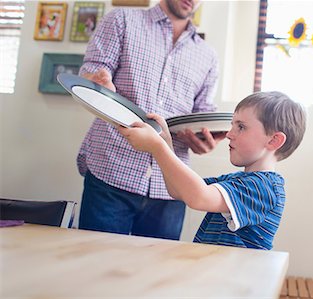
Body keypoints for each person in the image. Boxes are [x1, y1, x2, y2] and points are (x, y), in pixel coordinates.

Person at [77, 0, 225, 240]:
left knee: (159, 274)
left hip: (170, 188)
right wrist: (98, 83)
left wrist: (206, 138)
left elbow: (202, 111)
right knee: (95, 266)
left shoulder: (208, 56)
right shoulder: (121, 20)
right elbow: (91, 73)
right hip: (112, 172)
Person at [118, 91, 307, 250]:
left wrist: (157, 147)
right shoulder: (236, 181)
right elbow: (179, 191)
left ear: (273, 141)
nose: (229, 134)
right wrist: (166, 144)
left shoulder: (263, 188)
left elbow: (197, 197)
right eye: (232, 125)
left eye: (241, 127)